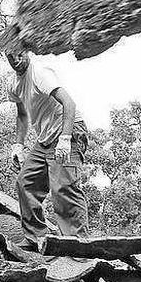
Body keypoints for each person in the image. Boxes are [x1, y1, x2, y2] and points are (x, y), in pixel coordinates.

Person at [6, 48, 88, 247]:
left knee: (63, 188)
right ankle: (37, 239)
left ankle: (75, 246)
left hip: (69, 130)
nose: (16, 59)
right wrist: (18, 145)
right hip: (45, 139)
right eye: (11, 56)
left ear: (28, 52)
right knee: (26, 183)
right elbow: (22, 115)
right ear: (5, 57)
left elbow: (69, 103)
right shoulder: (13, 84)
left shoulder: (40, 73)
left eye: (20, 53)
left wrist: (66, 138)